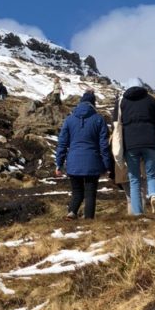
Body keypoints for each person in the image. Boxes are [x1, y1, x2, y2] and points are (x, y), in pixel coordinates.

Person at [55, 90, 112, 220]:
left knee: (77, 191)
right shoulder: (99, 119)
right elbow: (104, 145)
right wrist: (107, 165)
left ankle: (72, 212)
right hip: (93, 161)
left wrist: (59, 164)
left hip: (73, 162)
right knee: (90, 193)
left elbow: (62, 144)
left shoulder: (69, 120)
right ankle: (88, 220)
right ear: (93, 104)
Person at [115, 77, 155, 215]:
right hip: (150, 141)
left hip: (131, 144)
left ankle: (137, 213)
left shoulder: (122, 101)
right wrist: (154, 133)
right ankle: (153, 195)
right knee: (151, 175)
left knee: (134, 179)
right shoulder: (151, 99)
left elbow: (118, 124)